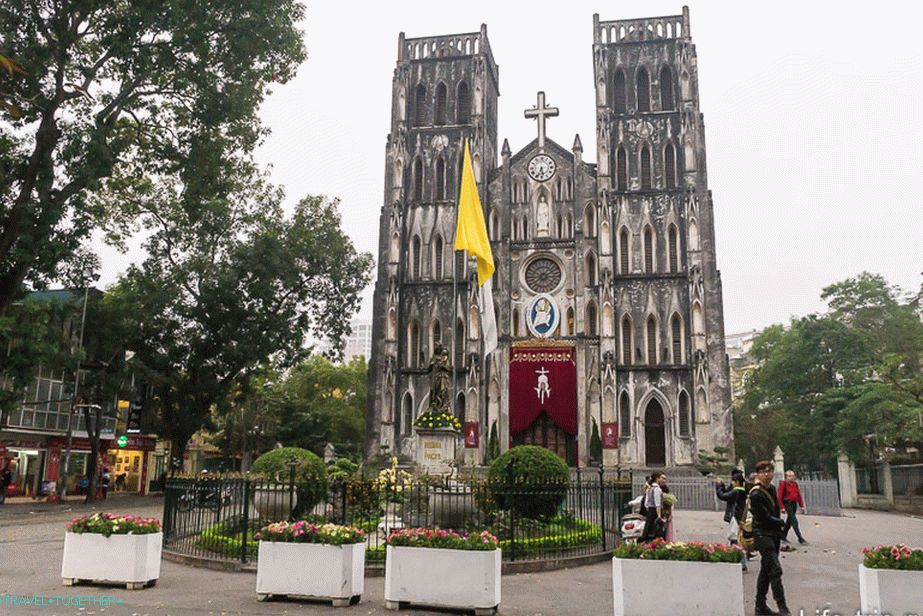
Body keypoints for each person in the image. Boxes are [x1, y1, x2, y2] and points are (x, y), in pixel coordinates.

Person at [750, 460, 789, 616]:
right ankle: (782, 607)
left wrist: (779, 529)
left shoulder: (772, 489)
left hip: (773, 534)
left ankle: (760, 606)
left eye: (769, 471)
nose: (766, 474)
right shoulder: (756, 494)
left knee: (766, 571)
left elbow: (775, 511)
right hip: (761, 534)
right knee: (775, 570)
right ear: (758, 474)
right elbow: (763, 517)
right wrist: (780, 522)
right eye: (763, 471)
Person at [716, 469, 750, 571]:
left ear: (737, 482)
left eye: (733, 481)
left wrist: (718, 486)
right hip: (739, 517)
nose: (732, 483)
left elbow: (722, 496)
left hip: (735, 517)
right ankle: (737, 560)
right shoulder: (743, 490)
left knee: (735, 539)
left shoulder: (737, 491)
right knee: (735, 539)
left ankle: (742, 562)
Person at [777, 470, 807, 545]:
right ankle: (800, 538)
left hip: (794, 504)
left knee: (789, 521)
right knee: (794, 521)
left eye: (793, 476)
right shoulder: (783, 484)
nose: (792, 478)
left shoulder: (795, 484)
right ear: (786, 477)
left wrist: (802, 505)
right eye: (789, 476)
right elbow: (779, 497)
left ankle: (783, 535)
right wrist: (782, 507)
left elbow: (798, 495)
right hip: (787, 504)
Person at [640, 471, 669, 542]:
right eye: (663, 478)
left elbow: (646, 503)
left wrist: (649, 511)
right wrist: (659, 516)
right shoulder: (657, 489)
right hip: (655, 513)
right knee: (657, 533)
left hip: (650, 512)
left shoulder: (650, 488)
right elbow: (658, 504)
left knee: (648, 531)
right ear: (657, 478)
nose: (664, 480)